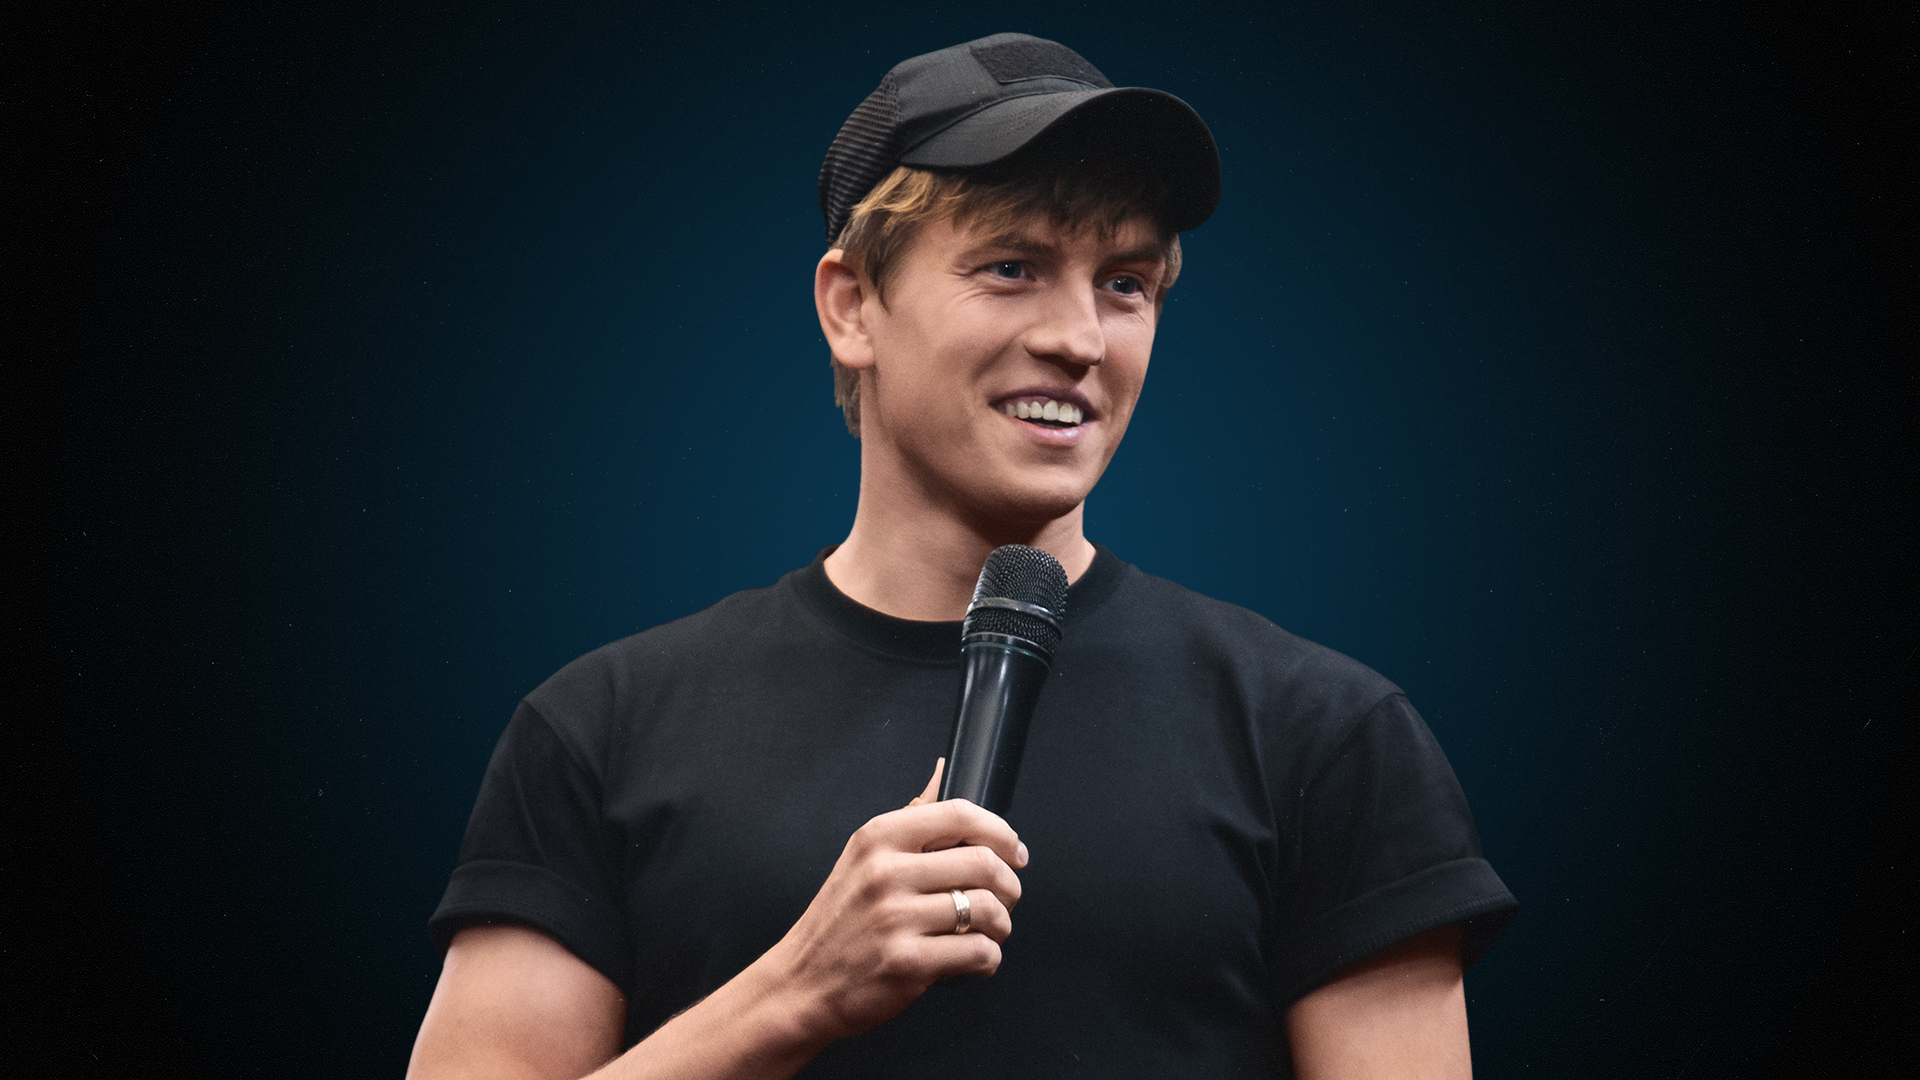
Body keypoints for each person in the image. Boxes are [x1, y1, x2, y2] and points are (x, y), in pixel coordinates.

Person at [408, 33, 1516, 1080]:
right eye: (1011, 266)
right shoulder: (599, 728)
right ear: (853, 307)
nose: (1079, 338)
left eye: (1125, 283)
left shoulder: (1324, 735)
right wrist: (796, 991)